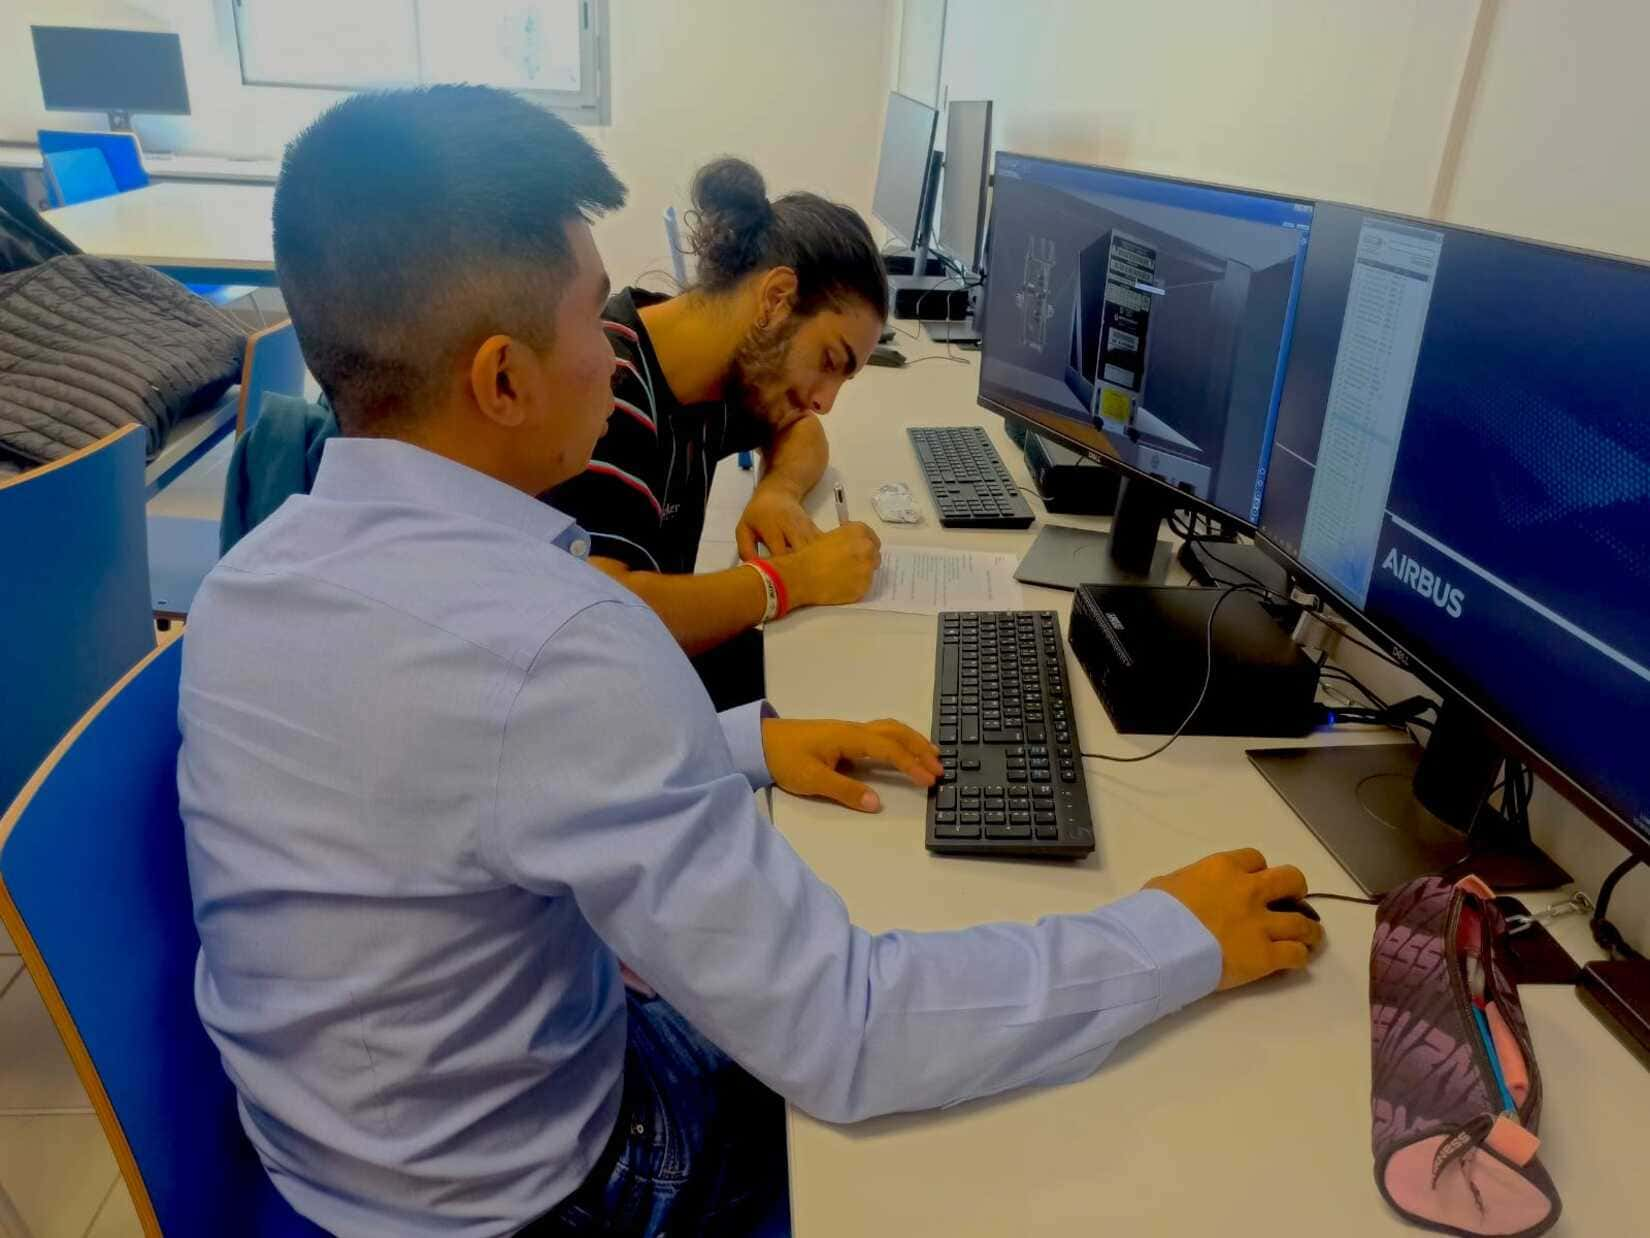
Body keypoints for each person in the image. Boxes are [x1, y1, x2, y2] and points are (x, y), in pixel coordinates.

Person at [178, 85, 1324, 1238]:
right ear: (504, 380)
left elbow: (447, 779)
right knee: (1003, 1141)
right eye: (590, 316)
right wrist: (1175, 934)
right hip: (528, 1197)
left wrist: (739, 745)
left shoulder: (245, 583)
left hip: (332, 1153)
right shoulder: (560, 641)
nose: (615, 344)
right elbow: (850, 1032)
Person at [543, 157, 887, 658]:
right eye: (829, 361)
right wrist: (791, 580)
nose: (824, 400)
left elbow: (801, 430)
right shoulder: (606, 392)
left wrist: (779, 492)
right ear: (776, 298)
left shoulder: (721, 373)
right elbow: (608, 612)